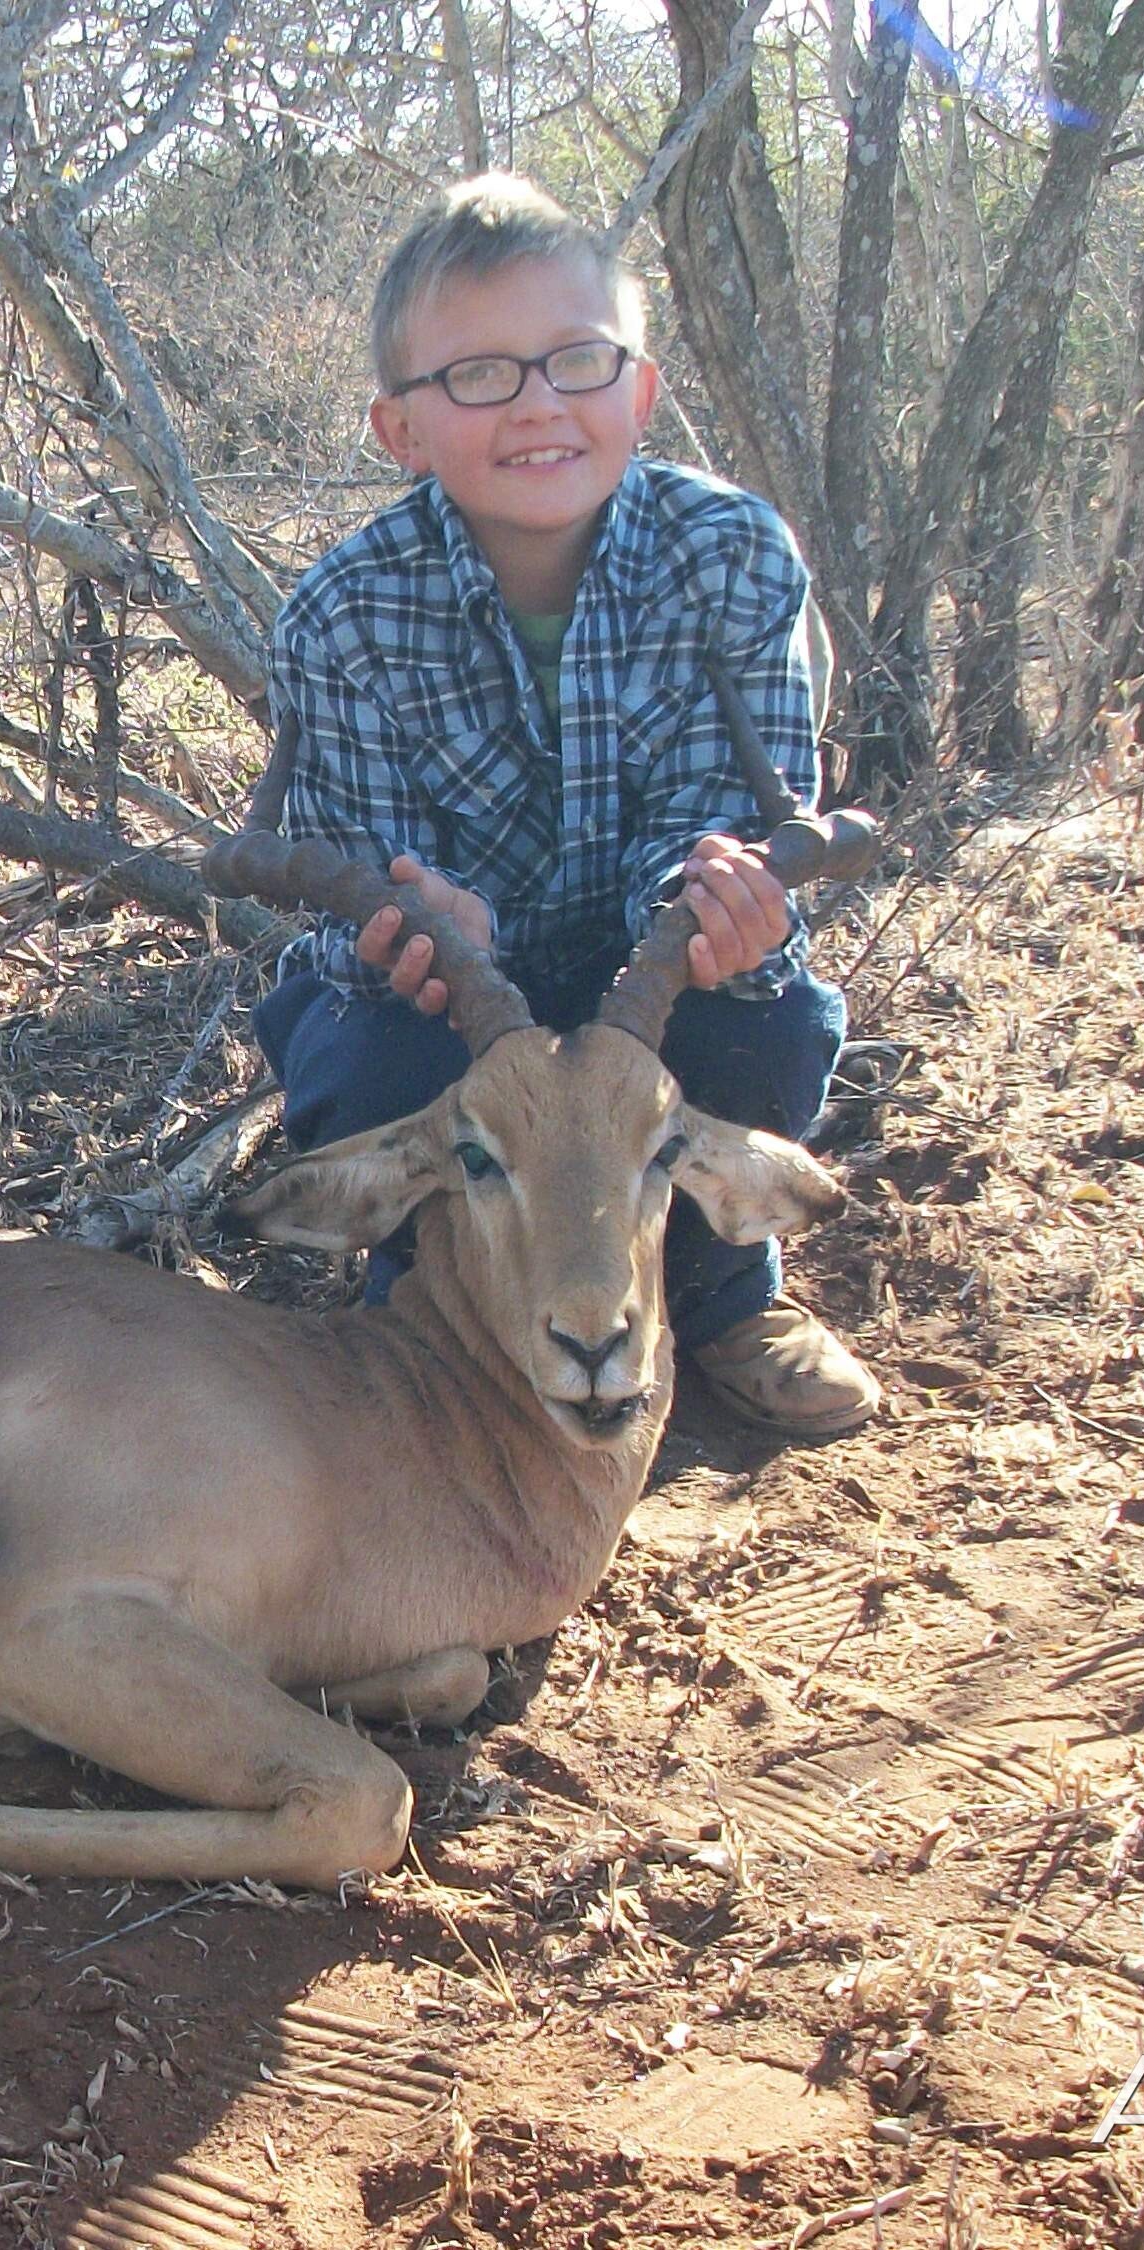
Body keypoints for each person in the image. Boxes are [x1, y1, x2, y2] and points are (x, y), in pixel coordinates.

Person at [251, 172, 881, 1439]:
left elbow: (735, 822)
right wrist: (416, 927)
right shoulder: (342, 613)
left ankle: (714, 1300)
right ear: (401, 432)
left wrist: (716, 900)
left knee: (765, 1025)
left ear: (640, 392)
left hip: (645, 973)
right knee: (367, 1058)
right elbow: (353, 894)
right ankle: (440, 1318)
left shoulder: (732, 555)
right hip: (461, 1002)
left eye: (578, 363)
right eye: (479, 375)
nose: (538, 404)